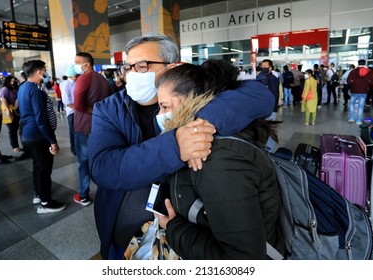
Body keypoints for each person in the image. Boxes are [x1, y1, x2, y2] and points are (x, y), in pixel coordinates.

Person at [88, 33, 275, 260]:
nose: (132, 75)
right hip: (128, 234)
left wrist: (199, 124)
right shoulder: (109, 109)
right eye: (128, 67)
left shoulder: (189, 90)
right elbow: (103, 167)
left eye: (142, 65)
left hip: (190, 230)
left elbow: (258, 94)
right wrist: (176, 146)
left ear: (172, 66)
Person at [154, 60, 284, 259]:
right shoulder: (206, 139)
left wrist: (173, 228)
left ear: (191, 100)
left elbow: (243, 260)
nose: (160, 115)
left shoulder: (218, 160)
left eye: (164, 106)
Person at [18, 60, 66, 214]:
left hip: (27, 134)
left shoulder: (23, 87)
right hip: (39, 136)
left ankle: (38, 195)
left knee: (37, 166)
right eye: (45, 69)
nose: (46, 72)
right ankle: (46, 202)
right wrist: (53, 141)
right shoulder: (36, 91)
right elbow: (41, 119)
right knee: (44, 169)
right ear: (39, 71)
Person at [73, 52, 111, 206]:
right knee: (101, 159)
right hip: (101, 126)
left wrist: (94, 111)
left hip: (84, 126)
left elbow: (78, 105)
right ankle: (106, 191)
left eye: (77, 62)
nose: (74, 64)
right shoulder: (102, 79)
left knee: (84, 162)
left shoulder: (83, 78)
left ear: (87, 64)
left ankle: (83, 195)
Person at [347, 59, 373, 125]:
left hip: (354, 90)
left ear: (358, 63)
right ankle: (358, 120)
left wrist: (351, 85)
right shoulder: (370, 72)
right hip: (364, 90)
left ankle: (351, 118)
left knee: (352, 104)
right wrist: (368, 86)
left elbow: (348, 80)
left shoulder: (353, 71)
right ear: (365, 63)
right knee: (361, 106)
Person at [0, 76, 21, 152]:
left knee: (20, 128)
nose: (13, 82)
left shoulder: (17, 88)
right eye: (11, 81)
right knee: (12, 129)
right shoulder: (5, 89)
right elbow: (2, 99)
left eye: (14, 80)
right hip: (9, 110)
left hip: (18, 110)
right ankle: (15, 146)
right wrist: (8, 110)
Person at [60, 66, 77, 156]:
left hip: (78, 111)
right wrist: (76, 109)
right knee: (73, 131)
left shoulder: (76, 83)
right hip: (72, 112)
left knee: (78, 130)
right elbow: (66, 101)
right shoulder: (66, 84)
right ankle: (74, 149)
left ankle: (78, 147)